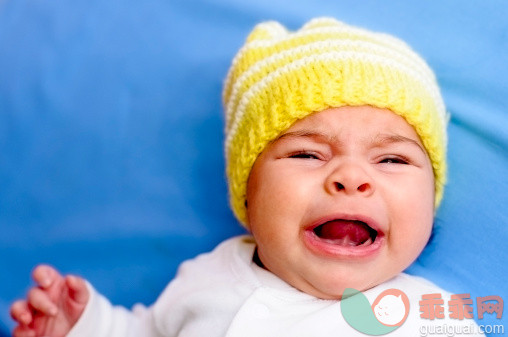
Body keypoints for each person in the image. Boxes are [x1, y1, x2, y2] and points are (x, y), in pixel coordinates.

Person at [10, 17, 484, 336]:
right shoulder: (207, 276)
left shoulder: (429, 317)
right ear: (247, 196)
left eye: (392, 161)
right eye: (307, 154)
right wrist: (86, 322)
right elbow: (151, 330)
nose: (351, 177)